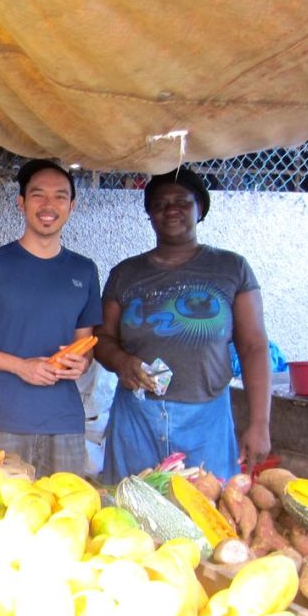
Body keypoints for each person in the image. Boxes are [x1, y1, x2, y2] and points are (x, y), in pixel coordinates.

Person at [93, 167, 271, 482]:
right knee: (131, 518)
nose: (171, 209)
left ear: (200, 208)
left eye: (182, 202)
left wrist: (260, 423)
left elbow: (254, 346)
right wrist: (121, 361)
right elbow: (103, 337)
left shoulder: (230, 268)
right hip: (137, 418)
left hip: (206, 421)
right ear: (149, 214)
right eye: (159, 204)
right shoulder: (125, 274)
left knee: (206, 518)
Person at [0, 159, 102, 475]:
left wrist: (80, 362)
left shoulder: (84, 271)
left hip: (66, 423)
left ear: (71, 206)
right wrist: (21, 366)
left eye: (60, 196)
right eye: (38, 195)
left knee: (67, 510)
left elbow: (85, 344)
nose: (48, 205)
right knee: (5, 515)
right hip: (5, 423)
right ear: (21, 203)